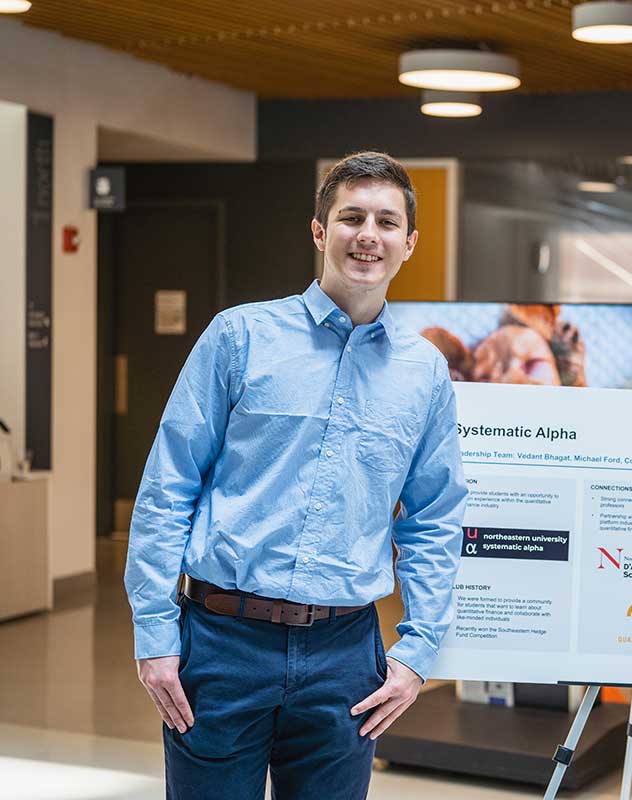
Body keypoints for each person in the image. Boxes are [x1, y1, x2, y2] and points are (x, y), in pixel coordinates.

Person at [124, 151, 469, 799]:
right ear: (319, 231)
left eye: (387, 222)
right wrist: (153, 633)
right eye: (351, 217)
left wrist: (418, 650)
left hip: (346, 655)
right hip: (223, 644)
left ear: (409, 243)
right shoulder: (240, 337)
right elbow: (168, 488)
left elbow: (433, 516)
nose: (368, 234)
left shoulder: (423, 373)